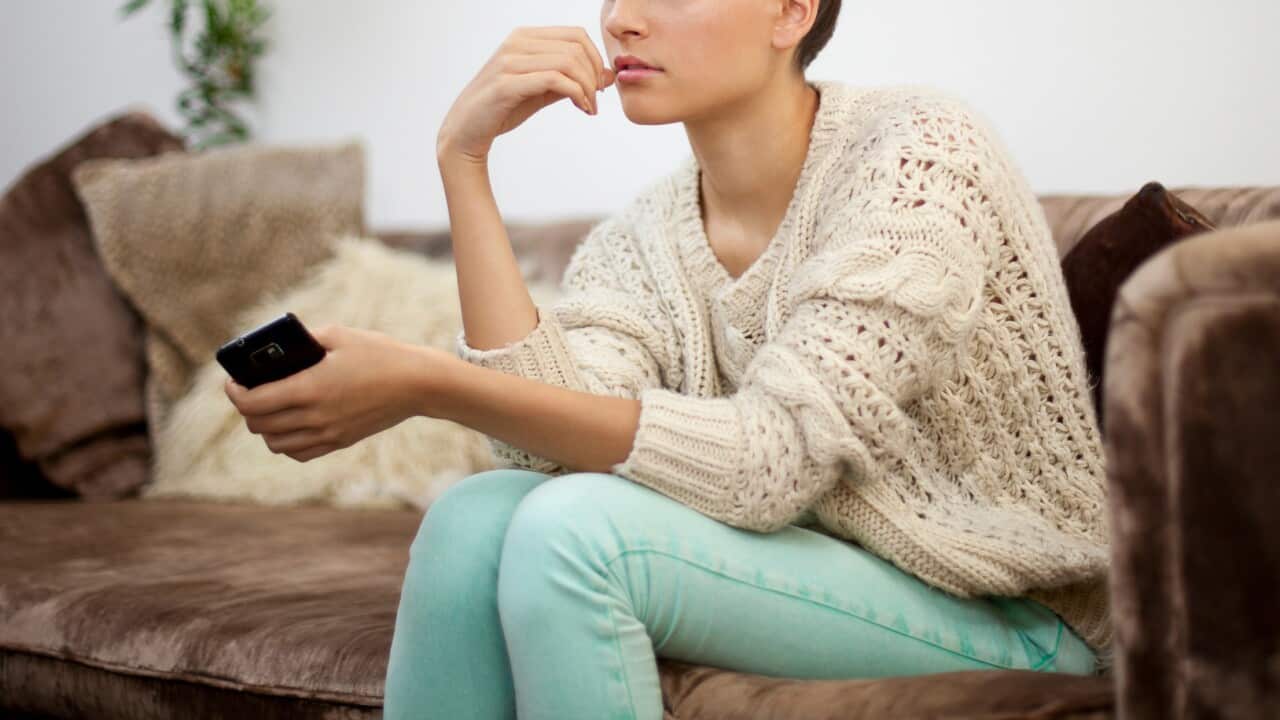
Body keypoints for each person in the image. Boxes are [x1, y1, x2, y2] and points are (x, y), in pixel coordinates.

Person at [223, 1, 1111, 718]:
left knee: (575, 534)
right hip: (822, 569)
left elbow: (773, 456)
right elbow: (540, 445)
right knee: (474, 515)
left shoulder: (921, 154)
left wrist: (428, 382)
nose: (621, 20)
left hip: (1013, 610)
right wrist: (465, 159)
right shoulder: (643, 237)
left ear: (792, 13)